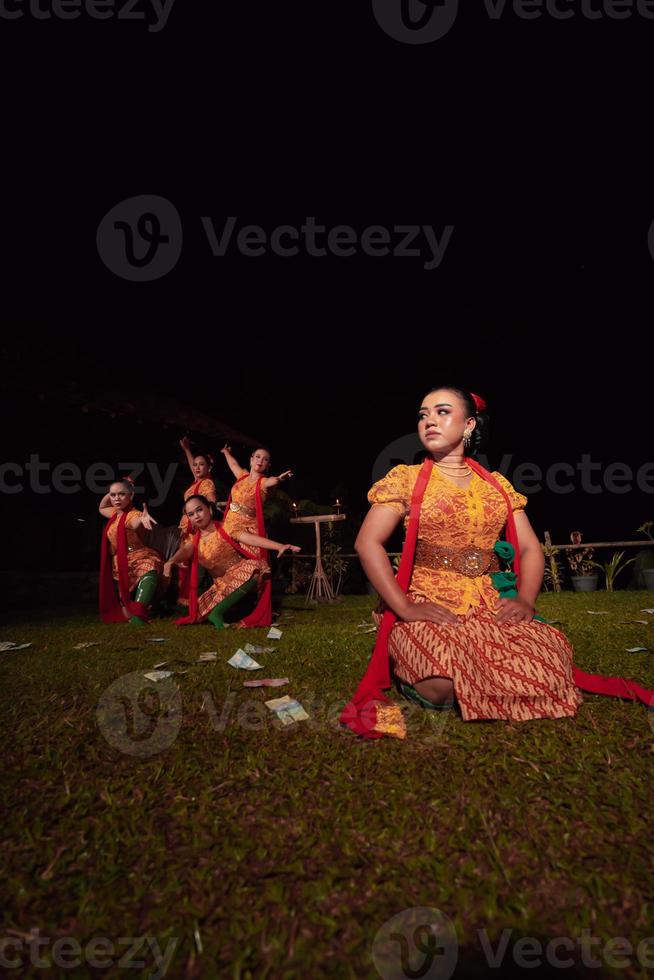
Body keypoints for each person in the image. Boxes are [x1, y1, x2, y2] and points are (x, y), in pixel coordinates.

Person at [342, 385, 654, 739]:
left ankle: (488, 673)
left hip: (490, 602)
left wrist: (525, 599)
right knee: (439, 686)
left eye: (442, 412)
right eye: (423, 414)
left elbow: (530, 549)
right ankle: (461, 671)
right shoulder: (405, 478)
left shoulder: (497, 485)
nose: (429, 421)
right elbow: (368, 542)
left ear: (469, 424)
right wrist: (405, 607)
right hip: (430, 601)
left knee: (552, 660)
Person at [165, 495, 300, 629]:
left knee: (257, 565)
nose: (196, 516)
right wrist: (171, 561)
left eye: (199, 510)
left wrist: (279, 546)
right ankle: (224, 610)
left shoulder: (227, 528)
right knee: (198, 612)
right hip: (221, 588)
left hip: (244, 582)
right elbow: (185, 551)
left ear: (210, 510)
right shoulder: (194, 540)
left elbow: (251, 539)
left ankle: (217, 614)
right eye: (191, 514)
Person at [219, 444, 293, 625]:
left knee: (259, 569)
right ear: (251, 459)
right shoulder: (242, 475)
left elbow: (272, 481)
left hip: (247, 530)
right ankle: (223, 605)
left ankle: (254, 608)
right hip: (228, 524)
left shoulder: (263, 482)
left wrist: (280, 479)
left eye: (265, 459)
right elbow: (233, 465)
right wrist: (226, 452)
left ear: (268, 466)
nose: (261, 461)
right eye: (258, 457)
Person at [98, 478, 164, 625]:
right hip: (121, 561)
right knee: (123, 612)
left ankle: (139, 615)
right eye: (113, 495)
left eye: (122, 494)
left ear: (131, 495)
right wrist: (117, 487)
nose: (116, 498)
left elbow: (134, 524)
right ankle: (146, 609)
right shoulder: (114, 513)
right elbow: (101, 507)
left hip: (139, 556)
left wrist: (142, 518)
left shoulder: (133, 514)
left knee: (150, 566)